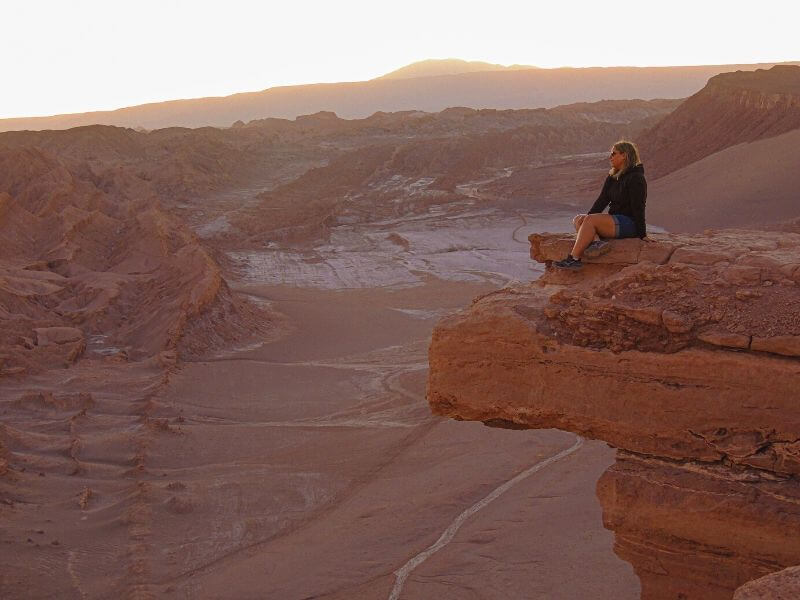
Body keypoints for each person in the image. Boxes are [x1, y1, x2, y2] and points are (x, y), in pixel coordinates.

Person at [554, 140, 647, 269]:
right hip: (615, 221)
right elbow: (602, 200)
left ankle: (574, 259)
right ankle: (597, 244)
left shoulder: (636, 178)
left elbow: (639, 206)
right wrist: (585, 221)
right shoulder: (613, 176)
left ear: (624, 155)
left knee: (589, 220)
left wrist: (642, 234)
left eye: (613, 154)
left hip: (629, 223)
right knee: (578, 219)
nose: (610, 157)